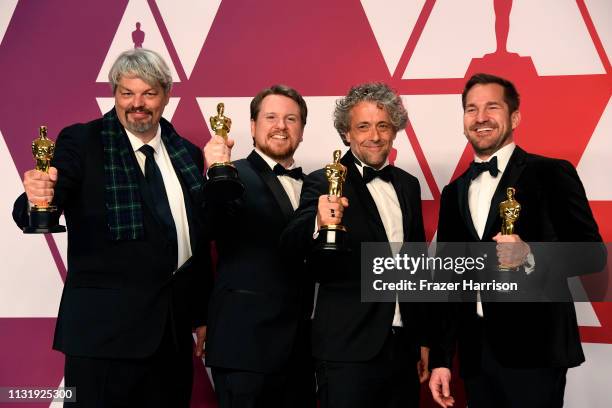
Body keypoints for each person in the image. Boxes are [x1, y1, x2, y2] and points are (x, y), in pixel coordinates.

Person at [13, 48, 211, 407]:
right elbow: (51, 192)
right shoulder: (83, 142)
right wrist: (36, 198)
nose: (138, 103)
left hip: (171, 336)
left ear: (166, 95)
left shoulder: (187, 153)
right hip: (103, 339)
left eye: (149, 93)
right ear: (114, 95)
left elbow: (192, 240)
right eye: (127, 93)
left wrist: (200, 313)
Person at [428, 73, 606, 408]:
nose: (480, 117)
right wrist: (441, 358)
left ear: (515, 117)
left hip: (535, 351)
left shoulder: (551, 173)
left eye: (491, 107)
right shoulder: (453, 193)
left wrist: (529, 255)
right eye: (471, 109)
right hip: (476, 355)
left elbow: (592, 256)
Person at [281, 82, 430, 408]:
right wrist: (319, 222)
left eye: (383, 126)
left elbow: (415, 264)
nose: (374, 136)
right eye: (363, 126)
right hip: (347, 349)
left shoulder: (407, 184)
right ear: (346, 133)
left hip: (402, 347)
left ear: (395, 130)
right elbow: (291, 245)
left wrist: (422, 338)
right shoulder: (323, 180)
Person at [202, 84, 315, 408]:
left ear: (302, 130)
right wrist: (217, 175)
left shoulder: (315, 187)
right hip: (245, 348)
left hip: (301, 353)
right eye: (271, 117)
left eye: (291, 118)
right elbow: (210, 226)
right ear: (252, 126)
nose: (281, 126)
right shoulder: (233, 174)